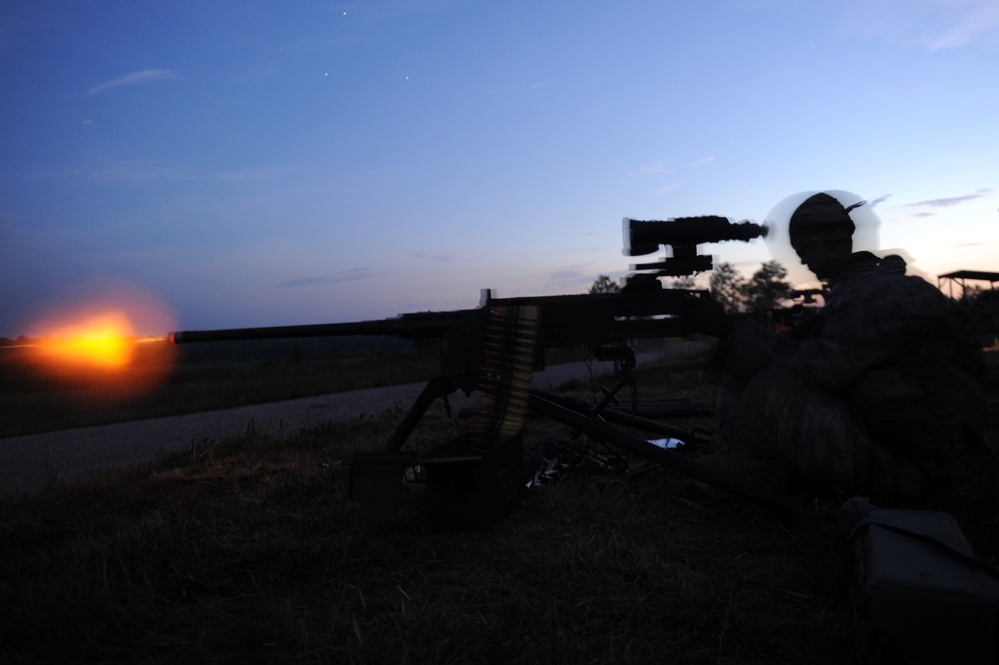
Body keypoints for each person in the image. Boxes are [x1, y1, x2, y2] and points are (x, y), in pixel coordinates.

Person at [698, 192, 989, 503]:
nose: (802, 260)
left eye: (804, 248)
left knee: (764, 387)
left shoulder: (862, 295)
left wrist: (733, 342)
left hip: (906, 473)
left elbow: (819, 372)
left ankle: (758, 472)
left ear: (831, 241)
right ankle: (756, 464)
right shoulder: (905, 286)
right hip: (948, 453)